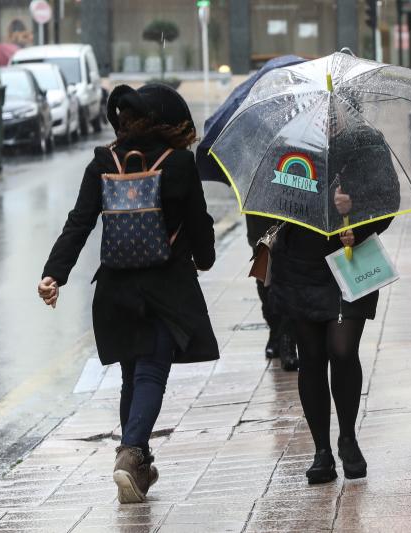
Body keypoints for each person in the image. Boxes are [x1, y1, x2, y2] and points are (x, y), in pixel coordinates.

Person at [37, 83, 218, 503]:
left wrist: (53, 274)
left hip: (115, 290)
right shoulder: (179, 163)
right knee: (151, 373)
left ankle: (138, 468)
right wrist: (204, 258)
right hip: (165, 289)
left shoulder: (104, 161)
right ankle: (131, 453)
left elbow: (79, 222)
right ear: (168, 124)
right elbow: (199, 225)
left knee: (130, 377)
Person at [268, 124, 401, 484]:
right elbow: (275, 197)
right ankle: (321, 451)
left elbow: (387, 197)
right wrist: (319, 200)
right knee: (311, 357)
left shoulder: (367, 142)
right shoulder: (291, 141)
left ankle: (347, 438)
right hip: (300, 263)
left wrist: (356, 218)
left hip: (348, 261)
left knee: (342, 350)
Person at [246, 214, 299, 370]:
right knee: (265, 279)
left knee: (292, 281)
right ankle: (275, 330)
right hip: (261, 222)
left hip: (294, 218)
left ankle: (287, 338)